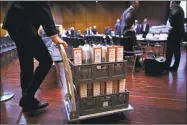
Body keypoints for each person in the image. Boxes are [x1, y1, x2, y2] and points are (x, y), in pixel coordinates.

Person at [2, 1, 68, 112]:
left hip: (14, 21)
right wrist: (53, 34)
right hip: (22, 21)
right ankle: (27, 98)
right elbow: (42, 4)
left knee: (26, 62)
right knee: (46, 61)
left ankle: (28, 101)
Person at [120, 0, 142, 67]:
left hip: (124, 33)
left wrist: (124, 29)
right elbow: (128, 19)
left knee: (129, 46)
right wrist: (129, 27)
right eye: (137, 3)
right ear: (134, 3)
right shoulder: (131, 10)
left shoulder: (125, 11)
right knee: (137, 47)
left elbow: (121, 20)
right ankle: (137, 63)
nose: (138, 5)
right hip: (129, 33)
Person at [165, 1, 184, 71]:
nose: (169, 3)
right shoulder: (180, 9)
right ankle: (175, 67)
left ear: (174, 2)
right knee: (176, 50)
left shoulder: (175, 10)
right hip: (179, 32)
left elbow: (171, 22)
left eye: (170, 2)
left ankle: (167, 67)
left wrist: (169, 20)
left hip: (175, 33)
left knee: (169, 50)